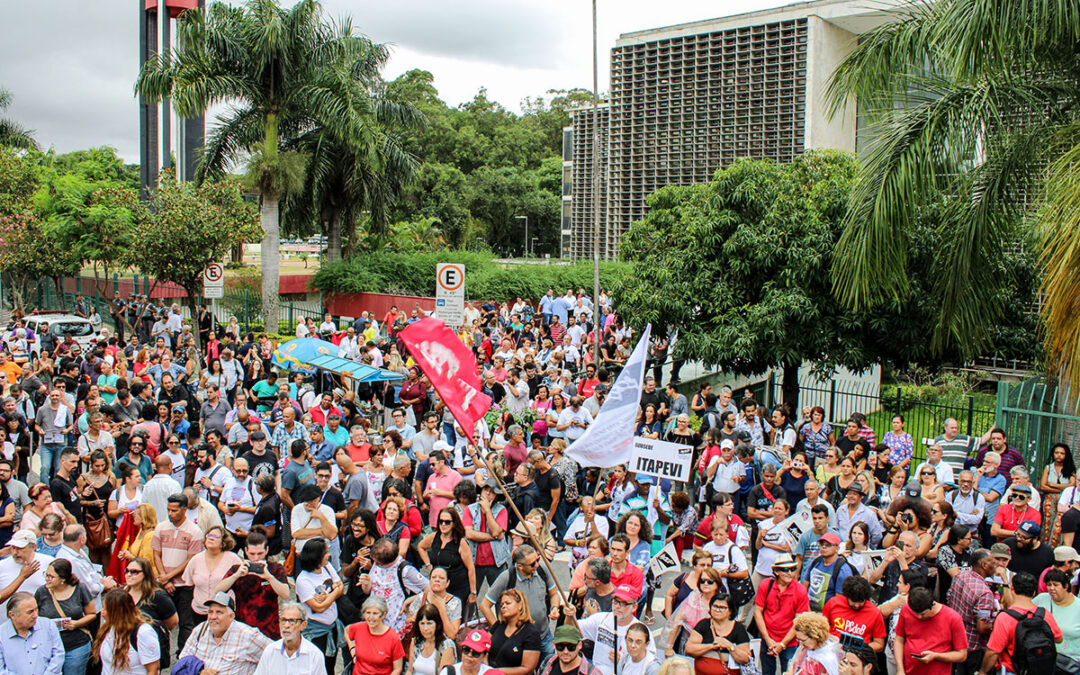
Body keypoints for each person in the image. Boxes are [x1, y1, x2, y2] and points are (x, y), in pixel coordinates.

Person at [481, 544, 560, 659]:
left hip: (544, 636)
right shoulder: (506, 578)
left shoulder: (542, 569)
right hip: (520, 641)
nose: (537, 565)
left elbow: (554, 594)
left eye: (537, 560)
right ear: (520, 566)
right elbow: (484, 605)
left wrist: (554, 608)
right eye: (532, 564)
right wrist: (499, 630)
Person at [979, 572, 1063, 675]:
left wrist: (982, 672)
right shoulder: (1044, 614)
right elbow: (1059, 639)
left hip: (1013, 670)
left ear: (1013, 589)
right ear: (1033, 592)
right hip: (1041, 670)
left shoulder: (1005, 617)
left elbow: (993, 652)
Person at [151, 493, 203, 654]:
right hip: (163, 583)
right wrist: (164, 579)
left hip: (184, 584)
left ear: (184, 510)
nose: (171, 514)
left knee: (186, 622)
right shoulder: (161, 528)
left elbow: (190, 559)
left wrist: (169, 576)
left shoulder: (194, 531)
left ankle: (184, 655)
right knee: (157, 620)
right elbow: (156, 554)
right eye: (169, 510)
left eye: (174, 510)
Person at [566, 583, 656, 675]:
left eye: (624, 603)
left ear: (634, 607)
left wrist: (624, 659)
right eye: (616, 602)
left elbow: (649, 664)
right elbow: (571, 630)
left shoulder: (642, 631)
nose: (617, 607)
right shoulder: (601, 619)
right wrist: (570, 616)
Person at [215, 530, 290, 639]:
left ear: (267, 550)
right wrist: (236, 575)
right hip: (242, 629)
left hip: (269, 629)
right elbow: (218, 590)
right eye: (252, 554)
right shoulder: (237, 569)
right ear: (245, 551)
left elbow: (285, 594)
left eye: (260, 554)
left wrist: (269, 577)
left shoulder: (275, 568)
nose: (256, 558)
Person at [178, 591, 271, 675]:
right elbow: (182, 662)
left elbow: (277, 655)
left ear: (231, 616)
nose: (213, 617)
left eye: (219, 612)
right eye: (210, 612)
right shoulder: (200, 630)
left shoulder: (248, 635)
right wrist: (200, 672)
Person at [35, 558, 97, 675]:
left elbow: (92, 614)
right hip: (49, 646)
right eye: (46, 575)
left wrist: (76, 624)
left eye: (51, 576)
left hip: (76, 645)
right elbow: (35, 616)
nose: (46, 579)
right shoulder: (41, 592)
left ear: (63, 579)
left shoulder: (80, 588)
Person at [295, 537, 344, 673]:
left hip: (332, 626)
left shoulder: (327, 567)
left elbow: (341, 586)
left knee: (330, 666)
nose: (329, 555)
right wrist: (334, 592)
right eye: (325, 553)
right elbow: (317, 607)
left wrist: (328, 597)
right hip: (316, 631)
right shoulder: (303, 580)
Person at [754, 554, 809, 675]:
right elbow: (758, 612)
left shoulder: (800, 591)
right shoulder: (766, 585)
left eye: (792, 569)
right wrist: (767, 639)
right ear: (776, 572)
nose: (790, 573)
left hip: (790, 641)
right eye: (785, 570)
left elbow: (799, 621)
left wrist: (783, 644)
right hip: (768, 638)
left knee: (789, 672)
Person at [945, 549, 998, 675]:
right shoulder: (984, 593)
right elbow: (982, 627)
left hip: (954, 639)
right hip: (972, 647)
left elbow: (949, 597)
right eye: (993, 562)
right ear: (984, 565)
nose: (996, 566)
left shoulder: (960, 575)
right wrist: (996, 623)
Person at [893, 587, 968, 675]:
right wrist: (900, 669)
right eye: (915, 613)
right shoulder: (906, 610)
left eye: (923, 614)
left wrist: (936, 656)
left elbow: (962, 655)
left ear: (933, 605)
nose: (918, 617)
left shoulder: (953, 618)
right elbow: (899, 640)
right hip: (909, 671)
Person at [122, 557, 177, 672]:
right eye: (127, 571)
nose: (129, 575)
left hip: (148, 648)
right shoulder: (122, 593)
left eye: (134, 572)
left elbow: (172, 621)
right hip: (124, 648)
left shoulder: (157, 597)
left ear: (145, 574)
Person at [181, 525, 242, 629]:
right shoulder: (196, 559)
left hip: (224, 612)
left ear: (224, 541)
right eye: (209, 535)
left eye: (216, 536)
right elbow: (188, 583)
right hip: (199, 612)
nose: (211, 538)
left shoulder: (233, 559)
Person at [418, 507, 476, 607]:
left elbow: (470, 568)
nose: (443, 525)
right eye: (441, 522)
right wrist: (429, 566)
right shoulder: (434, 536)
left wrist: (473, 592)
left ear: (454, 524)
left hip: (457, 587)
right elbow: (421, 547)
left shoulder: (460, 542)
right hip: (438, 587)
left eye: (447, 522)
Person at [93, 589, 161, 675]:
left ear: (117, 612)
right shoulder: (107, 627)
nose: (102, 612)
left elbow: (153, 670)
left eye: (105, 609)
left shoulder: (144, 632)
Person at [684, 593, 751, 675]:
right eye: (715, 606)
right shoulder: (704, 624)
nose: (717, 610)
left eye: (722, 607)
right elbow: (689, 649)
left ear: (731, 610)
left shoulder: (738, 629)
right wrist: (712, 646)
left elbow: (745, 659)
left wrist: (729, 646)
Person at [0, 592, 65, 674]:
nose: (35, 615)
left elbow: (58, 655)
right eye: (30, 612)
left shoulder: (48, 625)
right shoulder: (1, 635)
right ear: (12, 615)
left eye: (36, 609)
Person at [253, 602, 327, 674]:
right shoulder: (270, 651)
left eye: (292, 621)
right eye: (283, 620)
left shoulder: (314, 655)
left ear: (303, 625)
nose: (286, 625)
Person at [822, 576, 886, 653]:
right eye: (853, 601)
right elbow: (820, 629)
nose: (857, 605)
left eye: (861, 601)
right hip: (831, 650)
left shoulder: (875, 613)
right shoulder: (833, 603)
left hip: (857, 656)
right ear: (847, 596)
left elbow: (879, 644)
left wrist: (857, 647)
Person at [346, 595, 406, 675]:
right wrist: (352, 650)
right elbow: (346, 631)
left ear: (383, 615)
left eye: (375, 613)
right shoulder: (358, 628)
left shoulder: (392, 637)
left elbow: (398, 668)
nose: (371, 617)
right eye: (368, 613)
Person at [488, 588, 542, 675]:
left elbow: (527, 669)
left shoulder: (531, 633)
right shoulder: (499, 624)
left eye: (508, 603)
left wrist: (497, 672)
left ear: (520, 605)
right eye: (501, 605)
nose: (503, 607)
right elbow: (484, 645)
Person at [801, 532, 856, 612]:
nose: (824, 547)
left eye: (828, 545)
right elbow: (804, 588)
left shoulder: (842, 570)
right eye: (822, 544)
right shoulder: (815, 562)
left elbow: (839, 602)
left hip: (828, 615)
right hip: (809, 610)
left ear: (837, 548)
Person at [405, 603, 456, 675]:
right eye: (422, 623)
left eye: (429, 623)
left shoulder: (447, 645)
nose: (425, 628)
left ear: (437, 624)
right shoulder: (416, 642)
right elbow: (409, 671)